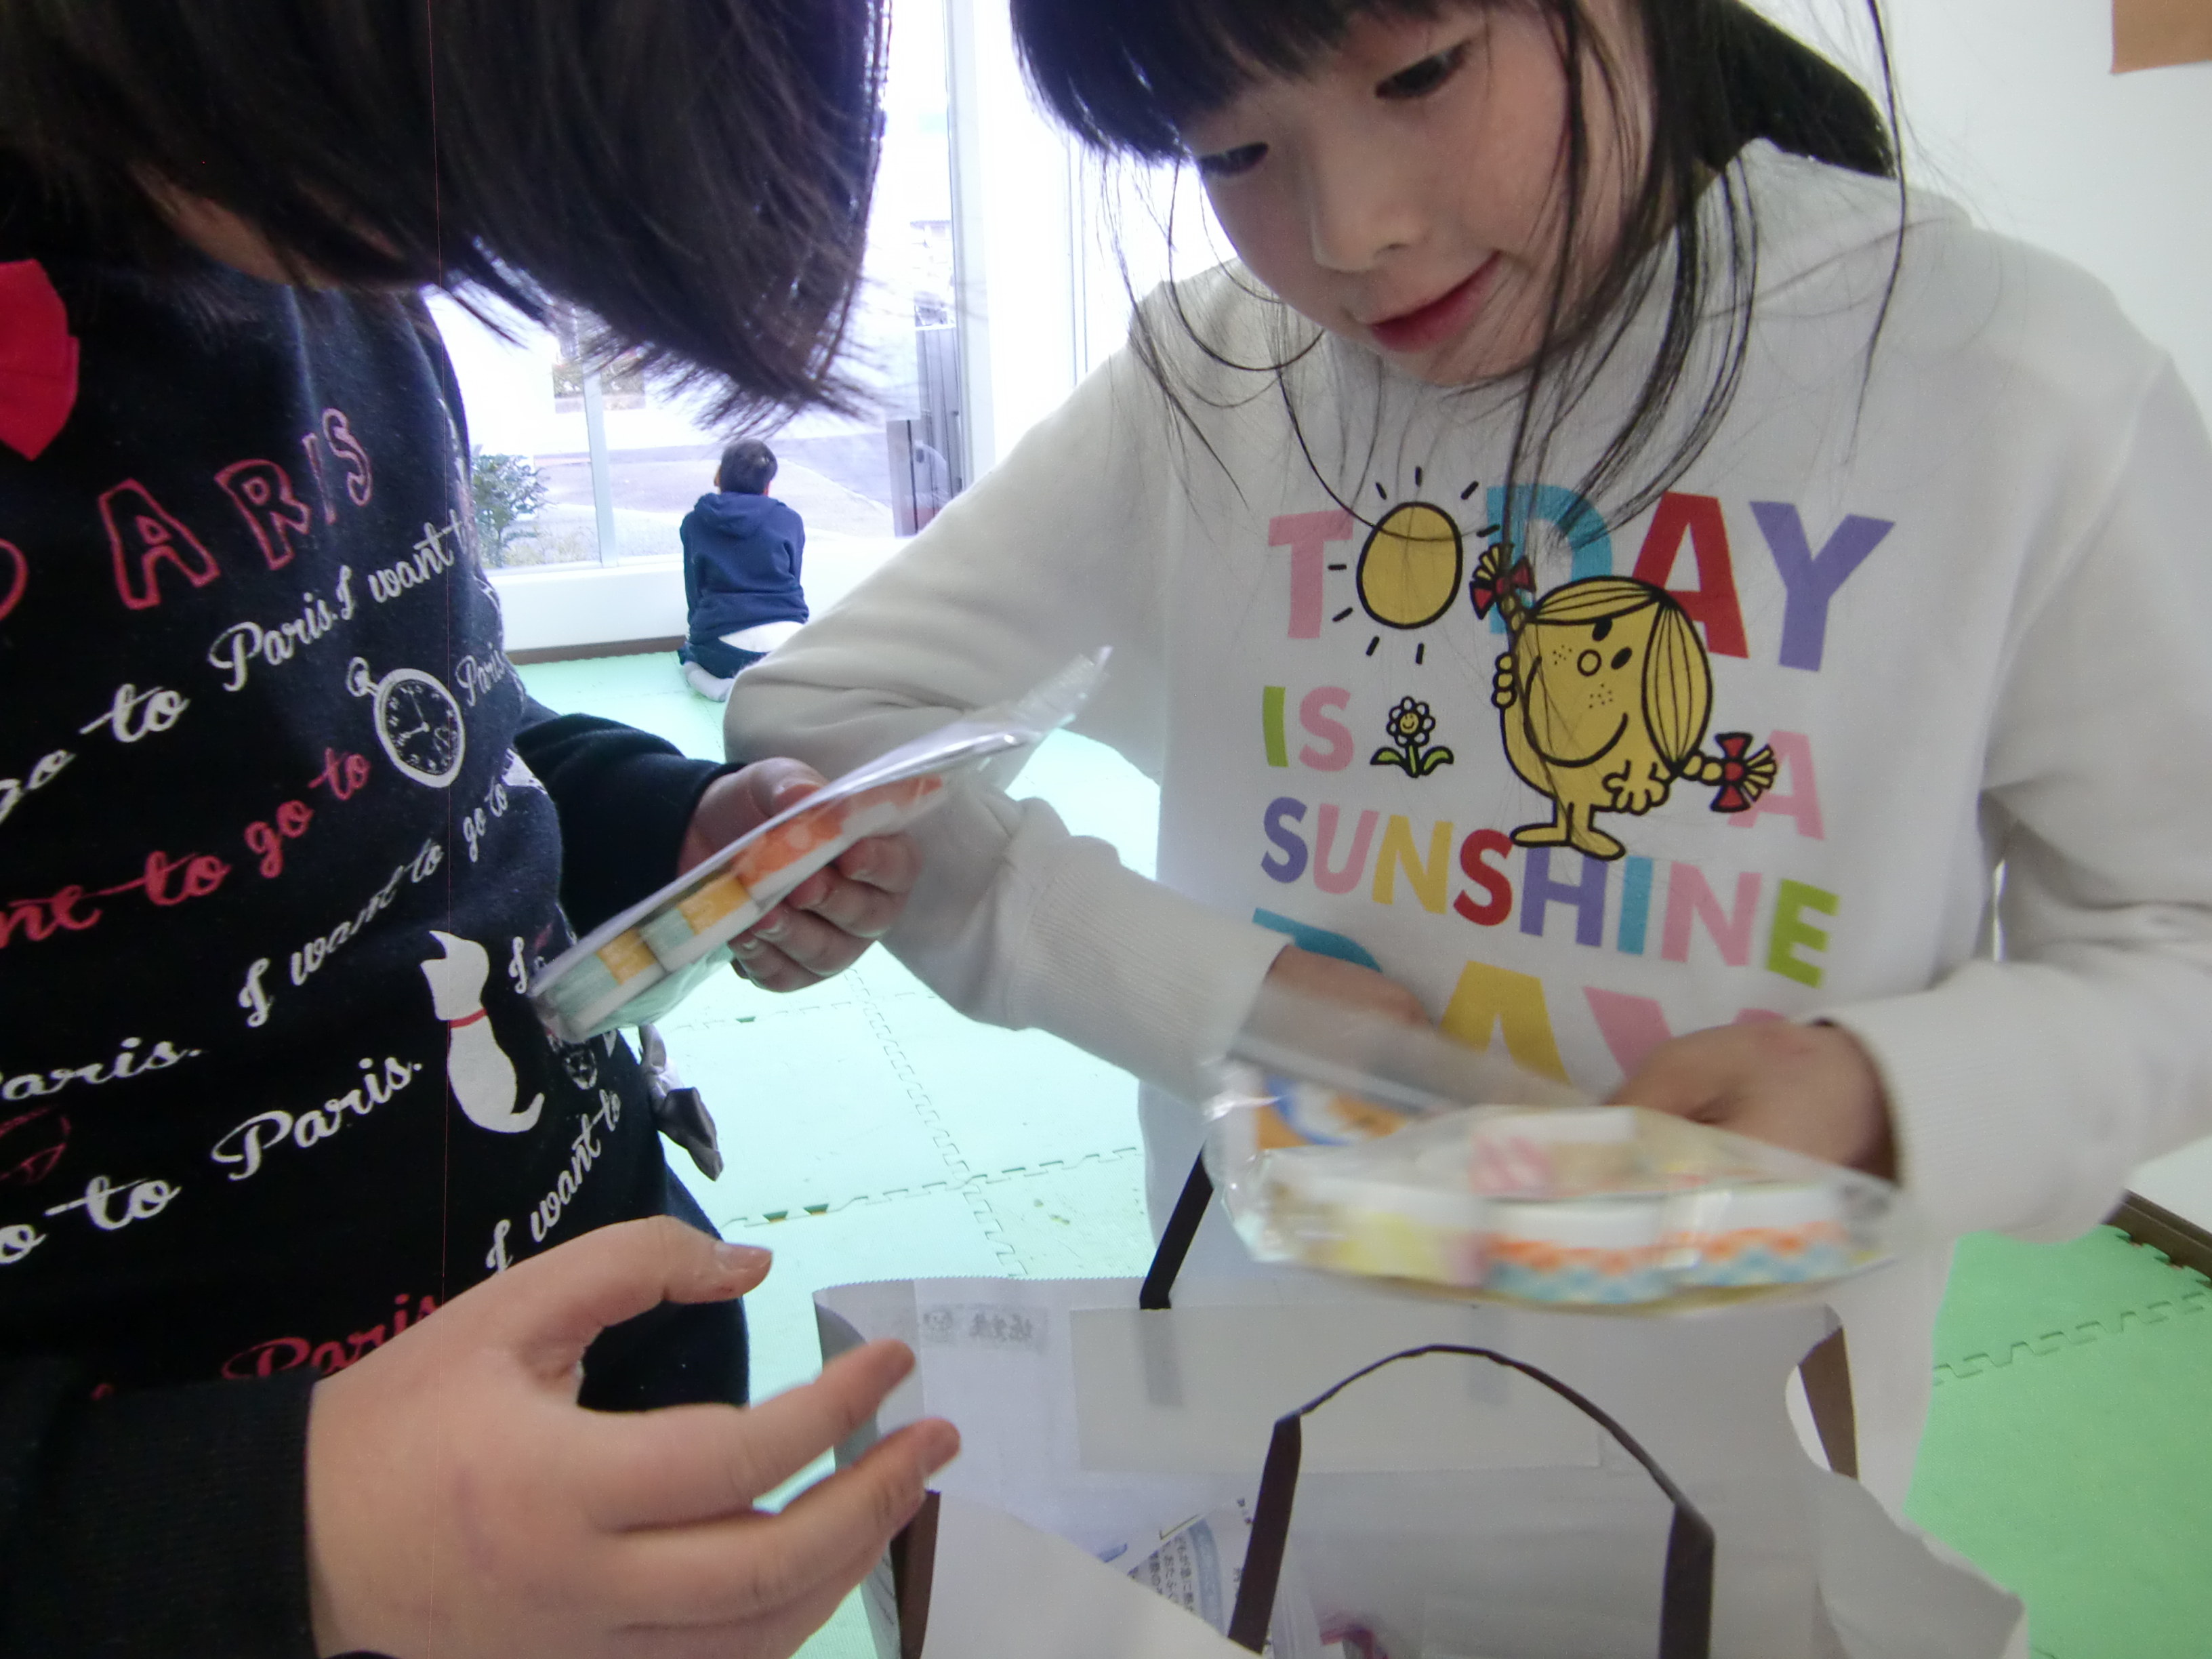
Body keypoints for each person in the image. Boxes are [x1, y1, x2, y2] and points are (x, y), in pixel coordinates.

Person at [729, 0, 2212, 1515]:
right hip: (1260, 1444)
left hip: (1724, 1507)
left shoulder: (2005, 381)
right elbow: (828, 716)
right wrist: (1221, 1000)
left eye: (1421, 74)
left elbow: (2183, 934)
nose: (1351, 232)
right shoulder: (1223, 378)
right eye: (1232, 151)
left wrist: (1877, 1096)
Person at [0, 3, 956, 1654]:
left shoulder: (324, 257)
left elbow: (428, 727)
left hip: (593, 1399)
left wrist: (677, 826)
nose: (453, 243)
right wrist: (288, 1525)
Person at [678, 438, 810, 701]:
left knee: (687, 654)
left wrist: (698, 632)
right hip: (789, 646)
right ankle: (786, 681)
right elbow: (794, 579)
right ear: (767, 486)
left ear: (718, 476)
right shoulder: (791, 520)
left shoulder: (694, 523)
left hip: (726, 650)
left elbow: (694, 589)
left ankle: (716, 687)